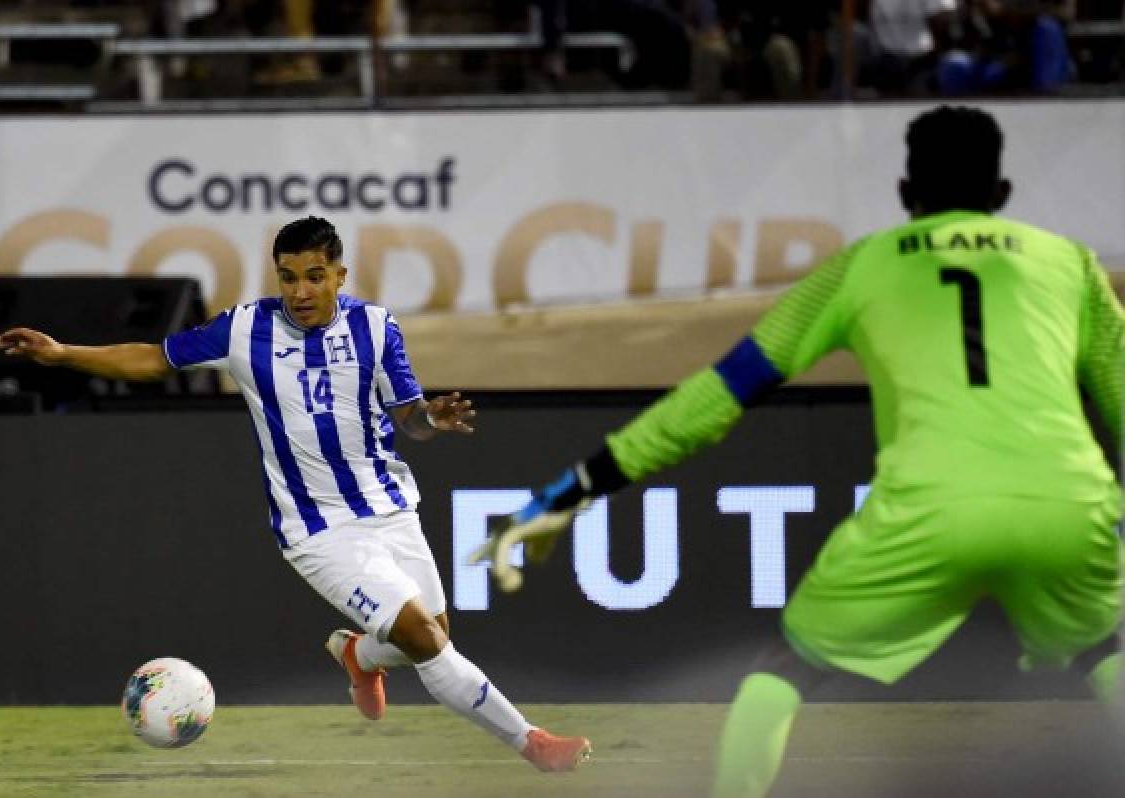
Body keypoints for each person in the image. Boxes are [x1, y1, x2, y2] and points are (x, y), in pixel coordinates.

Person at [472, 106, 1123, 796]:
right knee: (1100, 648)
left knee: (784, 670)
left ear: (906, 195)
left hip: (930, 508)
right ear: (1001, 197)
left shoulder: (860, 266)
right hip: (1069, 504)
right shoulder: (1070, 263)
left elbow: (715, 399)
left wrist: (571, 491)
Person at [0, 215, 591, 773]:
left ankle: (358, 657)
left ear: (340, 275)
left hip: (391, 508)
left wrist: (431, 417)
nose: (300, 291)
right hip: (318, 529)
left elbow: (408, 418)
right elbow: (155, 359)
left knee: (430, 639)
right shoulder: (243, 327)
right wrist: (63, 353)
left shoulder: (376, 327)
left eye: (313, 276)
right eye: (287, 277)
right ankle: (531, 742)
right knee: (423, 639)